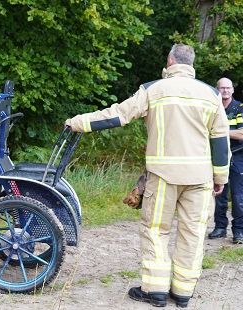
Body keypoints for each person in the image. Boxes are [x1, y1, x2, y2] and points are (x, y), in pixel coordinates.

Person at [65, 44, 229, 308]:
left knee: (155, 231)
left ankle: (155, 290)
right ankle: (183, 292)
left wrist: (78, 122)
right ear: (192, 63)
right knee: (193, 233)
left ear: (170, 61)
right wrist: (220, 177)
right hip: (200, 179)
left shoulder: (154, 89)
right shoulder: (210, 94)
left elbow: (118, 115)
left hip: (162, 177)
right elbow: (220, 141)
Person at [208, 78, 243, 244]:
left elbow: (242, 134)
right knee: (219, 194)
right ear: (217, 90)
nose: (225, 91)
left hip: (237, 156)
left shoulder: (239, 108)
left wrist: (219, 132)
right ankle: (220, 227)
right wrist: (230, 132)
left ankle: (239, 231)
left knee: (238, 196)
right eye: (222, 88)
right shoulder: (212, 107)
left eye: (228, 88)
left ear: (233, 90)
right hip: (217, 155)